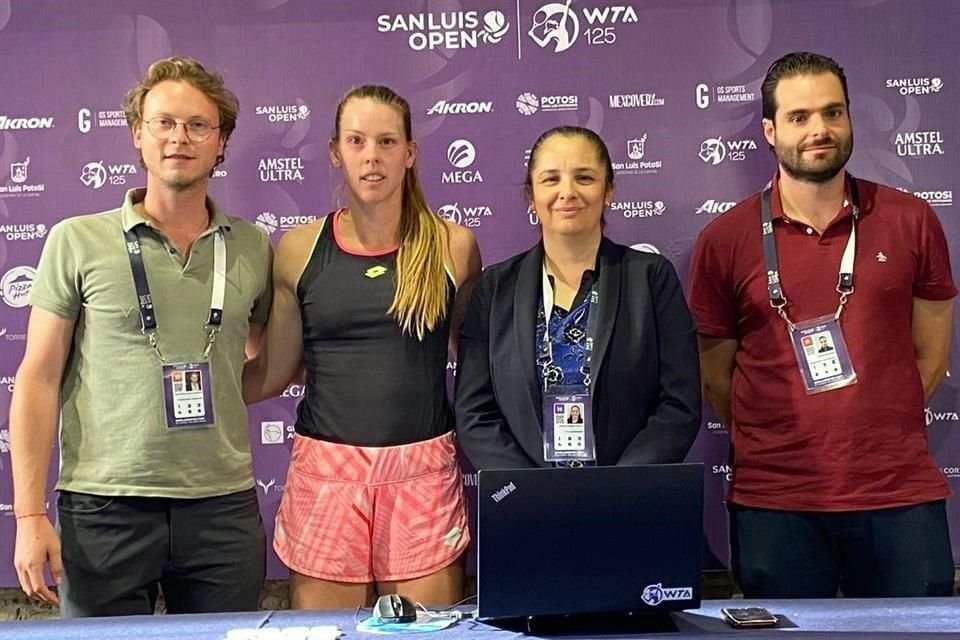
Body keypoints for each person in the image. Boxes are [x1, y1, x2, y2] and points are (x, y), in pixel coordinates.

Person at [10, 57, 272, 617]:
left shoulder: (251, 246)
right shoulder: (76, 241)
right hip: (104, 509)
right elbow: (37, 377)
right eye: (164, 123)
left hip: (221, 509)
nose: (180, 138)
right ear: (138, 134)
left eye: (198, 125)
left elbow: (258, 361)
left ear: (221, 142)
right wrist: (29, 516)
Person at [688, 51, 956, 598]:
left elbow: (930, 357)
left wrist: (875, 427)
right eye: (800, 117)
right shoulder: (726, 238)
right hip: (775, 501)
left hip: (897, 494)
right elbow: (716, 378)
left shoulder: (913, 220)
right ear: (769, 130)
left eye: (833, 113)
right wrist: (781, 440)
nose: (820, 130)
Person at [243, 85, 481, 609]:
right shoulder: (298, 249)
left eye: (387, 141)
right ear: (335, 151)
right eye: (356, 141)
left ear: (410, 153)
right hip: (326, 477)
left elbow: (479, 376)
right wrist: (191, 394)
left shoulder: (453, 247)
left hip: (422, 474)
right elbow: (276, 370)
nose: (372, 156)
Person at [455, 126, 700, 470]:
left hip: (629, 502)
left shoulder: (650, 279)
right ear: (531, 195)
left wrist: (616, 488)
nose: (567, 192)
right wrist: (531, 490)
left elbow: (679, 403)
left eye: (584, 178)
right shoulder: (495, 288)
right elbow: (474, 412)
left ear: (608, 190)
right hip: (528, 507)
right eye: (551, 179)